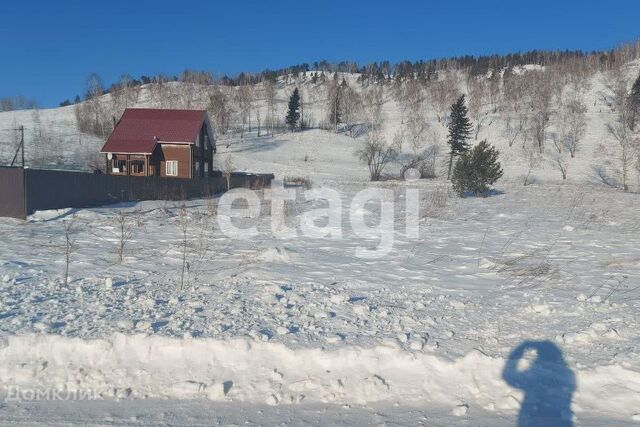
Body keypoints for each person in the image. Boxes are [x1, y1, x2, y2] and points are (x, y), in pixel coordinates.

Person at [502, 340, 575, 427]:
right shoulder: (567, 373)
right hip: (556, 417)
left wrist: (521, 349)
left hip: (540, 415)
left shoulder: (536, 374)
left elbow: (509, 377)